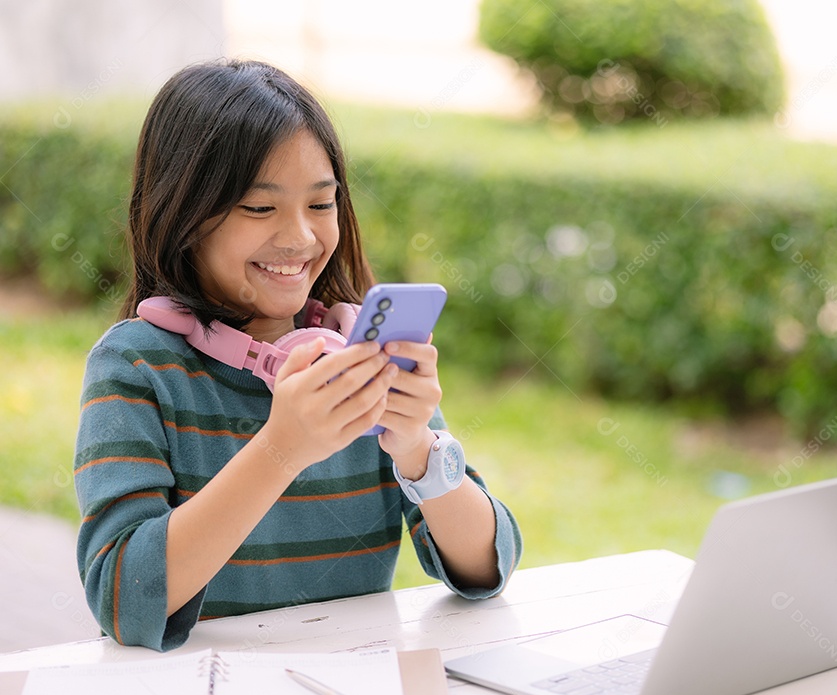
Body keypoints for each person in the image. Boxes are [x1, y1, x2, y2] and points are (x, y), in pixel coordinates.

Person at [74, 59, 522, 651]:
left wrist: (417, 448)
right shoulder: (134, 366)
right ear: (181, 212)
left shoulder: (355, 352)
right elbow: (122, 600)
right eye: (260, 209)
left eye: (320, 204)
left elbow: (487, 569)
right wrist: (281, 448)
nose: (301, 238)